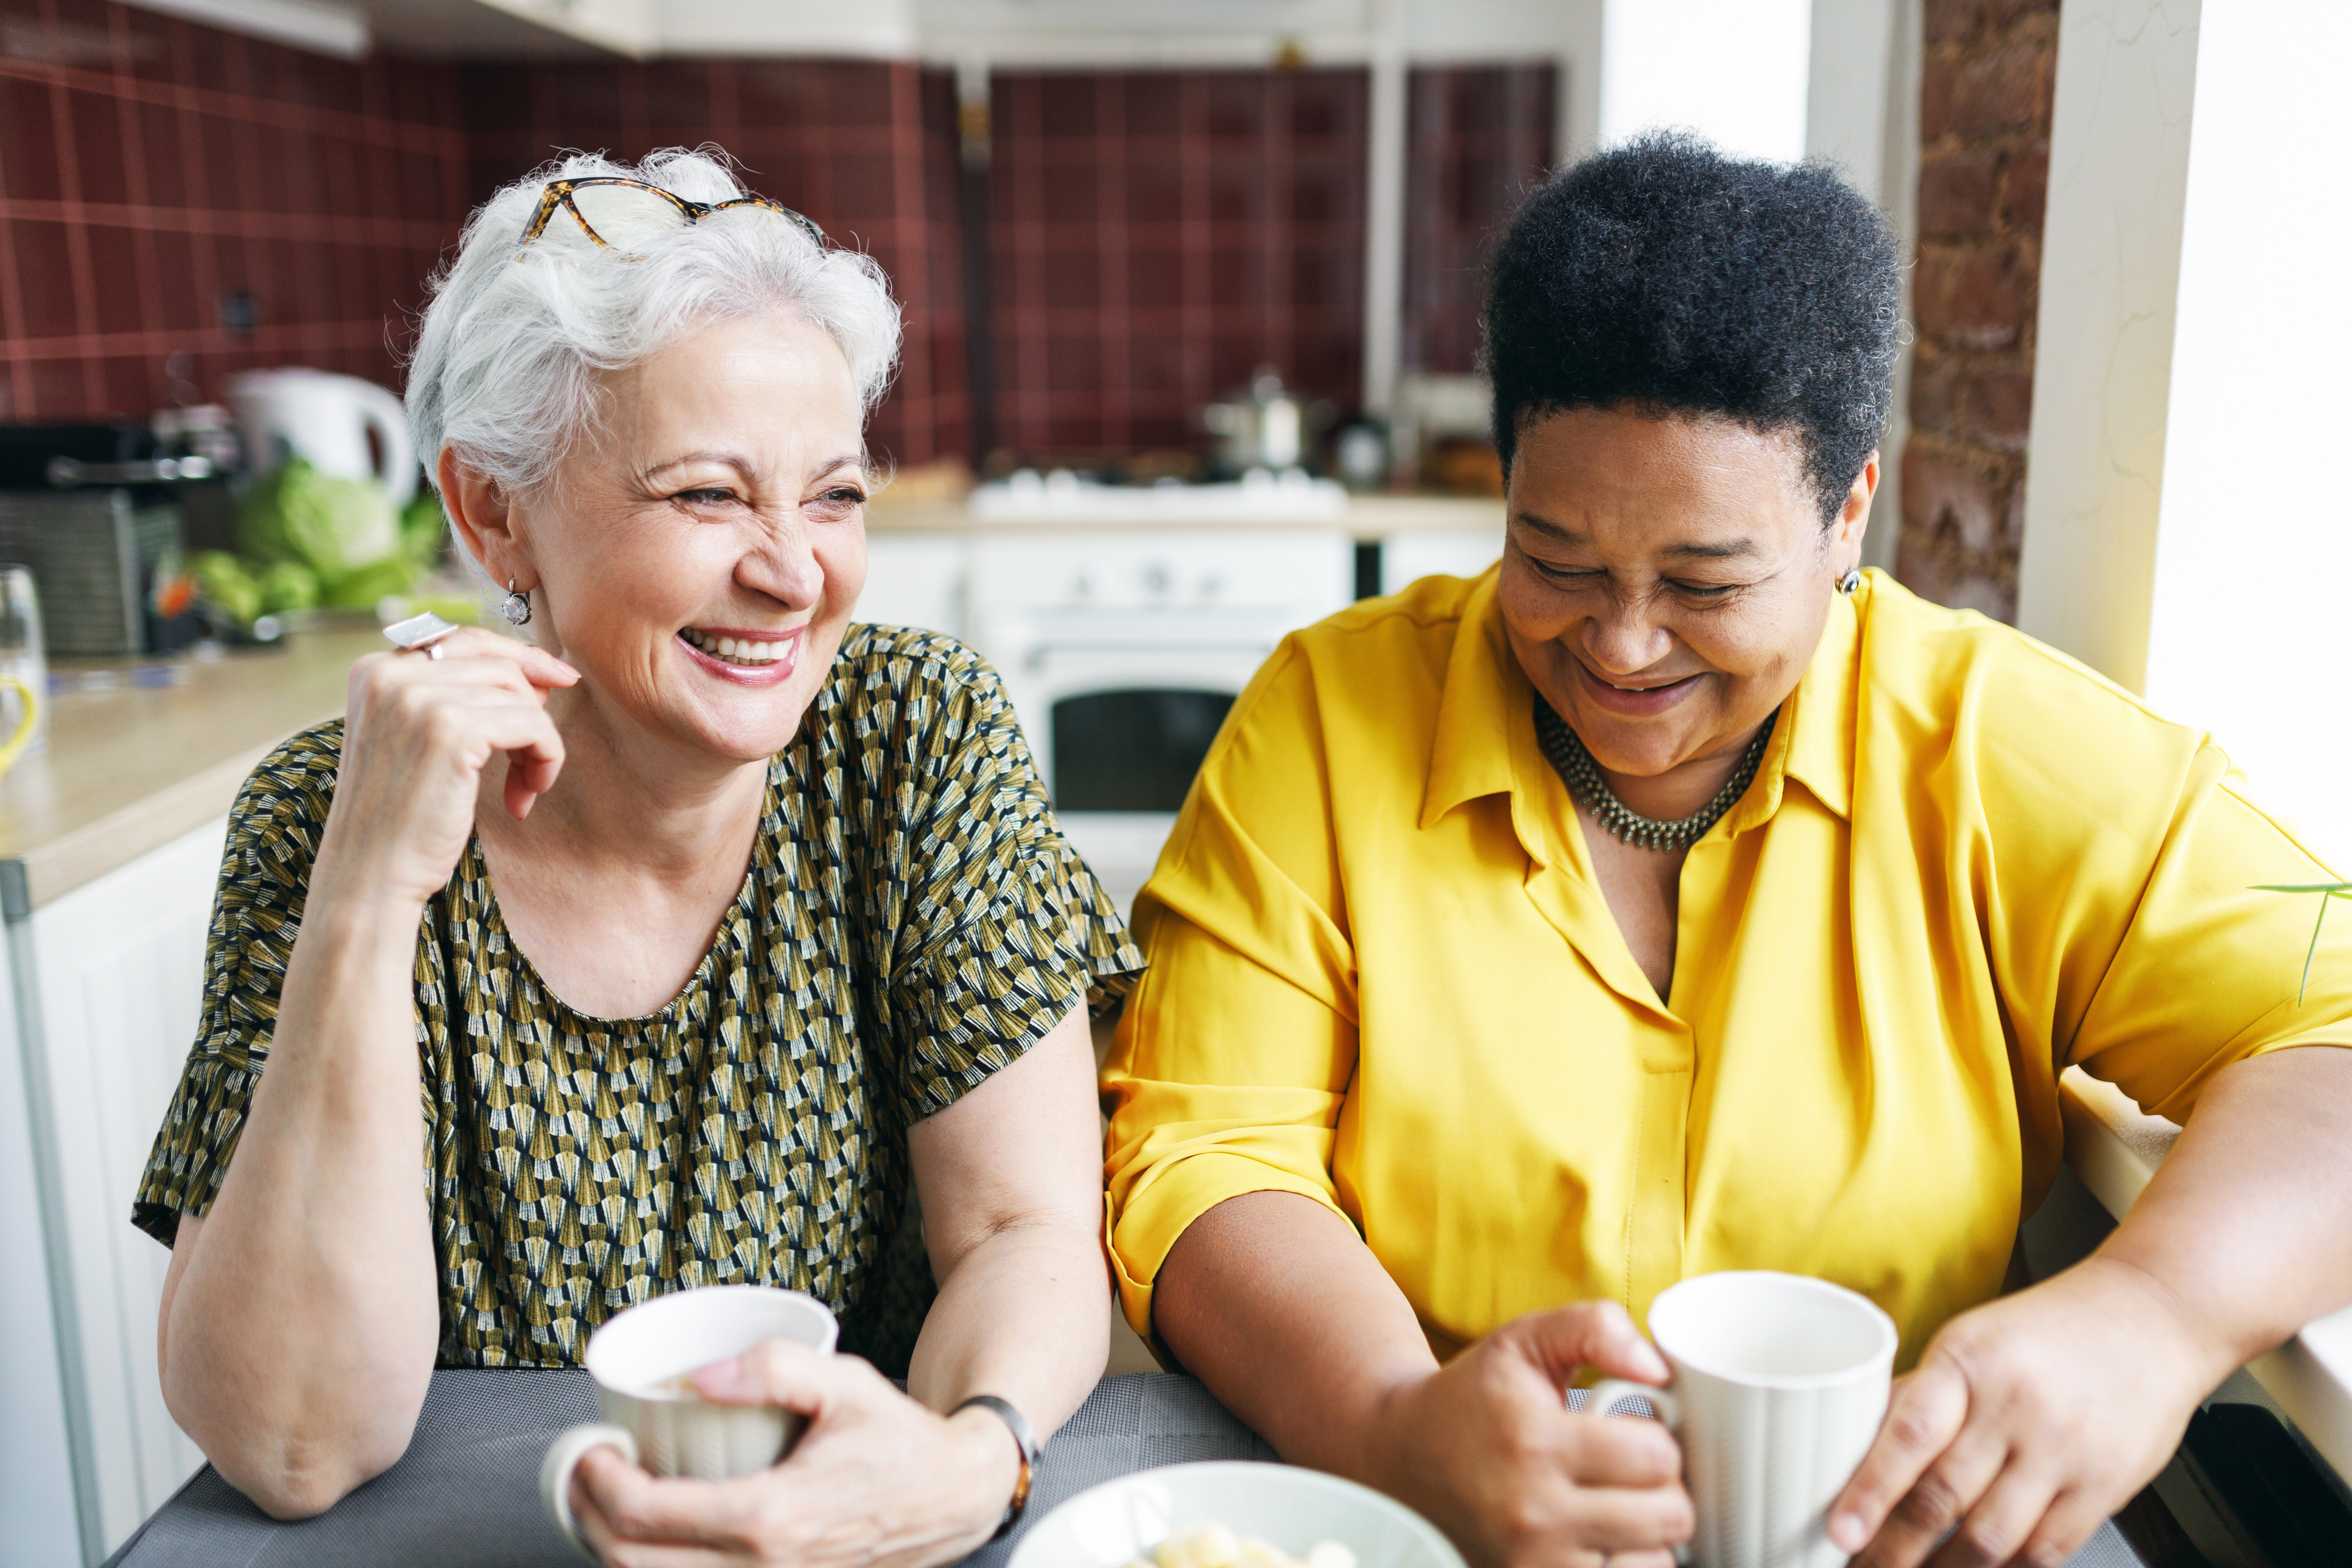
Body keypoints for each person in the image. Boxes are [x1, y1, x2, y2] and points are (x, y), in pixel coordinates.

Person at [1101, 133, 2352, 1568]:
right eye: (1556, 561)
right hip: (1408, 1518)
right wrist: (1395, 1420)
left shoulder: (1999, 745)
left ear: (1848, 514)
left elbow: (2337, 1008)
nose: (1624, 645)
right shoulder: (1326, 716)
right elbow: (1205, 1147)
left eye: (1708, 581)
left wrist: (2157, 1315)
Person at [135, 149, 1140, 1565]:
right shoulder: (327, 812)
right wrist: (365, 894)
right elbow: (293, 1442)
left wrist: (968, 1465)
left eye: (835, 495)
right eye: (708, 496)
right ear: (493, 512)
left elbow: (1028, 1228)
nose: (795, 571)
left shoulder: (916, 739)